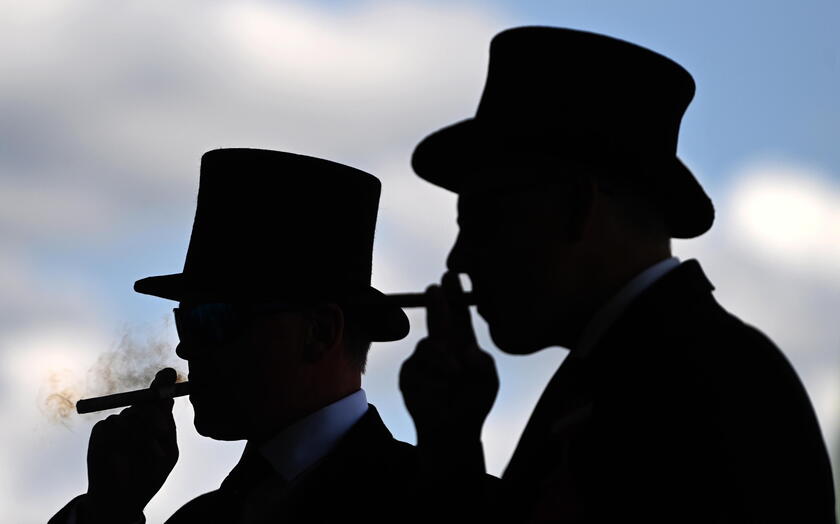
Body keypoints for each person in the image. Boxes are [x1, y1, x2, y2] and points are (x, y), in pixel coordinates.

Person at [399, 26, 837, 523]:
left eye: (484, 221)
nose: (458, 259)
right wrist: (450, 442)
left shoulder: (703, 387)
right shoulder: (663, 370)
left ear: (576, 207)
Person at [49, 148, 420, 524]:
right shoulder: (200, 520)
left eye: (214, 319)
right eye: (186, 322)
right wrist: (108, 510)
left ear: (320, 332)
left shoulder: (445, 506)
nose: (186, 346)